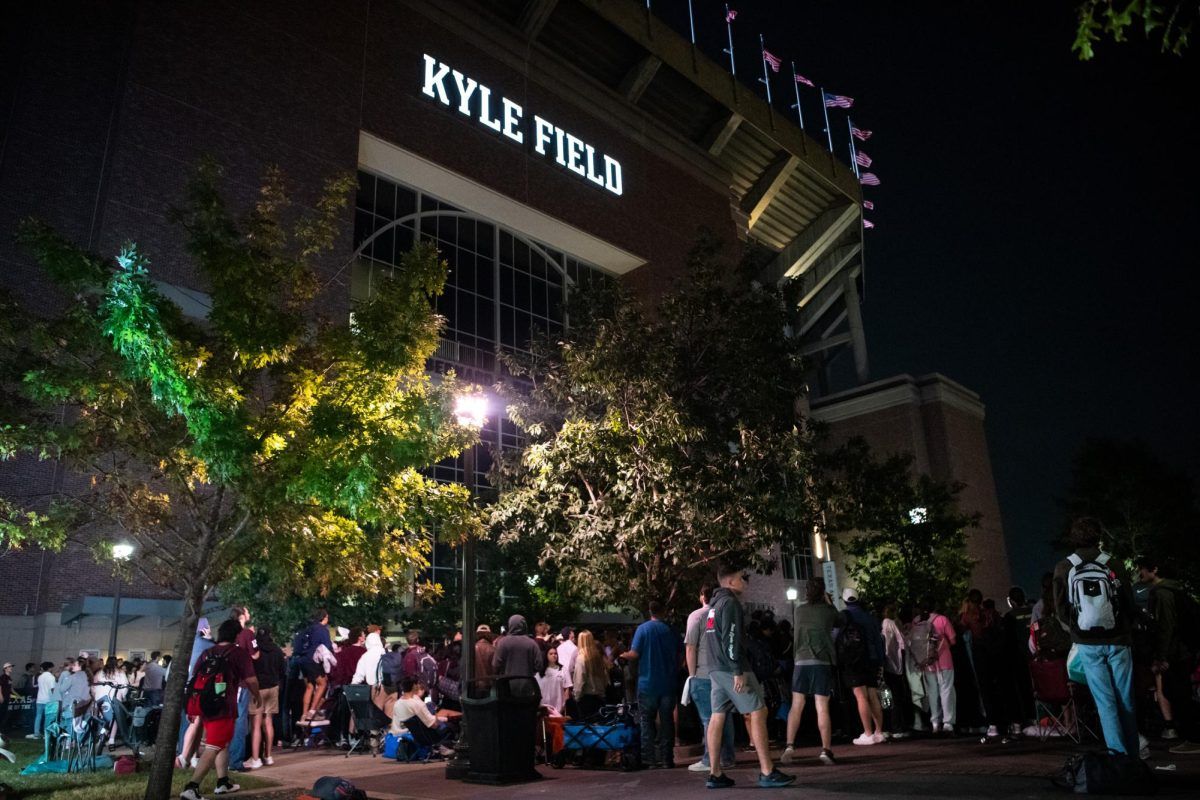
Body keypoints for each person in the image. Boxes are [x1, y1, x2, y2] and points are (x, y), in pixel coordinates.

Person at [702, 563, 795, 789]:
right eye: (742, 578)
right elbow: (731, 638)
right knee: (758, 710)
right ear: (731, 581)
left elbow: (716, 638)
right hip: (731, 668)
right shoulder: (731, 603)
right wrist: (737, 670)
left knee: (718, 715)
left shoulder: (713, 606)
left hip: (714, 668)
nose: (745, 581)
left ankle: (715, 774)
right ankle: (767, 770)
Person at [1053, 516, 1138, 757]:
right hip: (1119, 640)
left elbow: (1060, 610)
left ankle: (1118, 757)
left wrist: (1077, 630)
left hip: (1087, 643)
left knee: (1105, 702)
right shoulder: (1114, 563)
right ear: (1099, 536)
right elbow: (1128, 603)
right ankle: (1133, 757)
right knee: (1126, 700)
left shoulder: (1064, 566)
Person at [180, 619, 261, 800]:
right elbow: (251, 680)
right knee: (214, 746)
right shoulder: (238, 653)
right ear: (236, 635)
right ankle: (191, 788)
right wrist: (258, 696)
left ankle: (223, 782)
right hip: (223, 706)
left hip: (204, 704)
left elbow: (195, 678)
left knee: (221, 743)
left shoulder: (208, 652)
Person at [1137, 556, 1200, 755]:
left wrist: (1161, 657)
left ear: (1154, 570)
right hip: (1186, 649)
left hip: (1177, 653)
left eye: (1142, 569)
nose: (1140, 573)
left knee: (1177, 693)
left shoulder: (1162, 593)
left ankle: (1193, 738)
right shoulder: (1177, 589)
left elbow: (1166, 627)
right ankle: (1192, 736)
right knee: (1179, 692)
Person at [781, 577, 839, 766]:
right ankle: (825, 749)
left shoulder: (798, 610)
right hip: (821, 661)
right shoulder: (828, 611)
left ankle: (789, 745)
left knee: (796, 705)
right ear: (823, 591)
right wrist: (829, 602)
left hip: (800, 661)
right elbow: (839, 620)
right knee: (821, 706)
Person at [621, 600, 679, 769]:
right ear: (664, 611)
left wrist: (624, 655)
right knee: (667, 722)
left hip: (647, 683)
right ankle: (667, 759)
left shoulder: (643, 629)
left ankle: (649, 759)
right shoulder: (671, 630)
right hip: (668, 683)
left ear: (649, 611)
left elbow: (635, 653)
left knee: (647, 722)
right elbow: (680, 653)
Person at [684, 584, 736, 773]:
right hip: (724, 671)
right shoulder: (724, 611)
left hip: (704, 672)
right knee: (725, 716)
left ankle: (709, 759)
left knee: (708, 719)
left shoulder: (696, 616)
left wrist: (692, 675)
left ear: (701, 597)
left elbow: (691, 647)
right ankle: (728, 756)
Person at [838, 587, 886, 745]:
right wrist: (880, 660)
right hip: (871, 659)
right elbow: (879, 640)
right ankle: (879, 732)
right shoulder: (869, 617)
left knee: (860, 696)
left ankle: (867, 733)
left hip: (854, 660)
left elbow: (836, 637)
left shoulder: (844, 616)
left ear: (844, 600)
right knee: (873, 695)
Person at [913, 596, 958, 734]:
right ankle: (948, 723)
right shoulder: (942, 619)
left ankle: (934, 722)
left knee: (932, 692)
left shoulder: (917, 621)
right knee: (946, 691)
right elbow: (953, 640)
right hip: (944, 661)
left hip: (927, 664)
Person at [246, 625, 285, 770]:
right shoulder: (276, 649)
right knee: (268, 721)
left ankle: (255, 759)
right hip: (273, 687)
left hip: (258, 688)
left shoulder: (256, 650)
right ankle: (268, 756)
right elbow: (282, 669)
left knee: (256, 724)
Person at [390, 677, 454, 757]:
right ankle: (441, 748)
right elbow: (433, 725)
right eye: (417, 684)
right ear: (414, 686)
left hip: (403, 733)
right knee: (450, 727)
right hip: (423, 736)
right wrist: (437, 718)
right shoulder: (417, 704)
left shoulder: (398, 703)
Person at [227, 606, 257, 772]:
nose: (249, 613)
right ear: (242, 616)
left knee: (229, 720)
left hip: (228, 681)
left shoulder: (228, 633)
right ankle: (236, 761)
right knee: (240, 721)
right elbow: (255, 654)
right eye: (246, 611)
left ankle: (226, 758)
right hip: (241, 683)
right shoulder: (247, 634)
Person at [295, 608, 334, 722]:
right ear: (324, 617)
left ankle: (304, 713)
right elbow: (327, 646)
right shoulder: (322, 630)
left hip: (303, 660)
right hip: (314, 660)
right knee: (322, 683)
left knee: (310, 686)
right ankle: (312, 712)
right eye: (327, 617)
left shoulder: (307, 629)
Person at [92, 656, 129, 748]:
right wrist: (122, 695)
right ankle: (111, 739)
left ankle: (102, 738)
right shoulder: (120, 673)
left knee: (103, 718)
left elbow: (93, 686)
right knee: (114, 719)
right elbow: (125, 686)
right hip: (115, 698)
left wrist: (95, 696)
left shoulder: (100, 672)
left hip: (101, 698)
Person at [536, 646, 570, 716]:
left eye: (555, 653)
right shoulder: (540, 671)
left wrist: (565, 704)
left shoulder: (563, 669)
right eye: (551, 654)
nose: (554, 655)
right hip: (544, 707)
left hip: (559, 708)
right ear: (546, 655)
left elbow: (566, 688)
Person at [28, 661, 57, 739]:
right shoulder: (51, 677)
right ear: (50, 668)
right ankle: (46, 733)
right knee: (48, 718)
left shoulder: (40, 677)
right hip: (48, 700)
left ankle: (36, 733)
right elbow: (53, 689)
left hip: (40, 699)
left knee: (38, 717)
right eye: (52, 668)